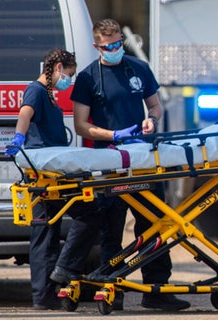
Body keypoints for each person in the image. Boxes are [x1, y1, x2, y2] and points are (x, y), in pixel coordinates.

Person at [50, 18, 190, 311]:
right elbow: (80, 125)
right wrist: (114, 135)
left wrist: (152, 118)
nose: (114, 49)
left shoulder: (137, 68)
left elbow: (155, 105)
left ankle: (157, 288)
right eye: (108, 45)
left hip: (143, 159)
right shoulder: (89, 78)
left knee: (155, 223)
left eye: (118, 43)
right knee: (111, 229)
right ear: (96, 46)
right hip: (110, 162)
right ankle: (113, 287)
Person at [5, 49, 79, 310]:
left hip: (52, 175)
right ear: (58, 67)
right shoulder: (35, 90)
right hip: (41, 176)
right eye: (69, 74)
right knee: (44, 235)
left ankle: (51, 287)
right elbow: (25, 113)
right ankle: (43, 297)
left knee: (51, 232)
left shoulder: (49, 94)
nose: (68, 80)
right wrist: (18, 138)